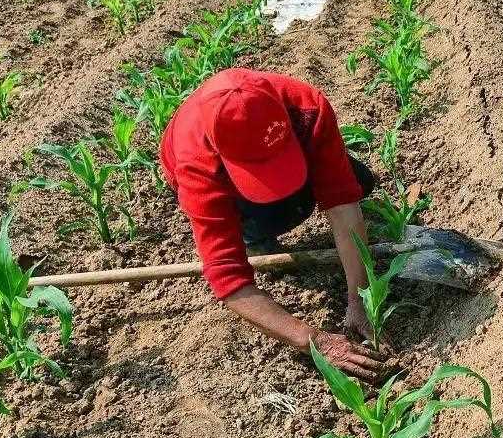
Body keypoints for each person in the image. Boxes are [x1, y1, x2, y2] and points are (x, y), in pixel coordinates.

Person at [161, 68, 383, 381]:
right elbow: (229, 280)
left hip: (289, 137)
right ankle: (253, 235)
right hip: (209, 171)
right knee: (275, 215)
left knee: (358, 181)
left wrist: (359, 298)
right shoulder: (197, 167)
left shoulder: (307, 107)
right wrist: (317, 342)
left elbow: (343, 203)